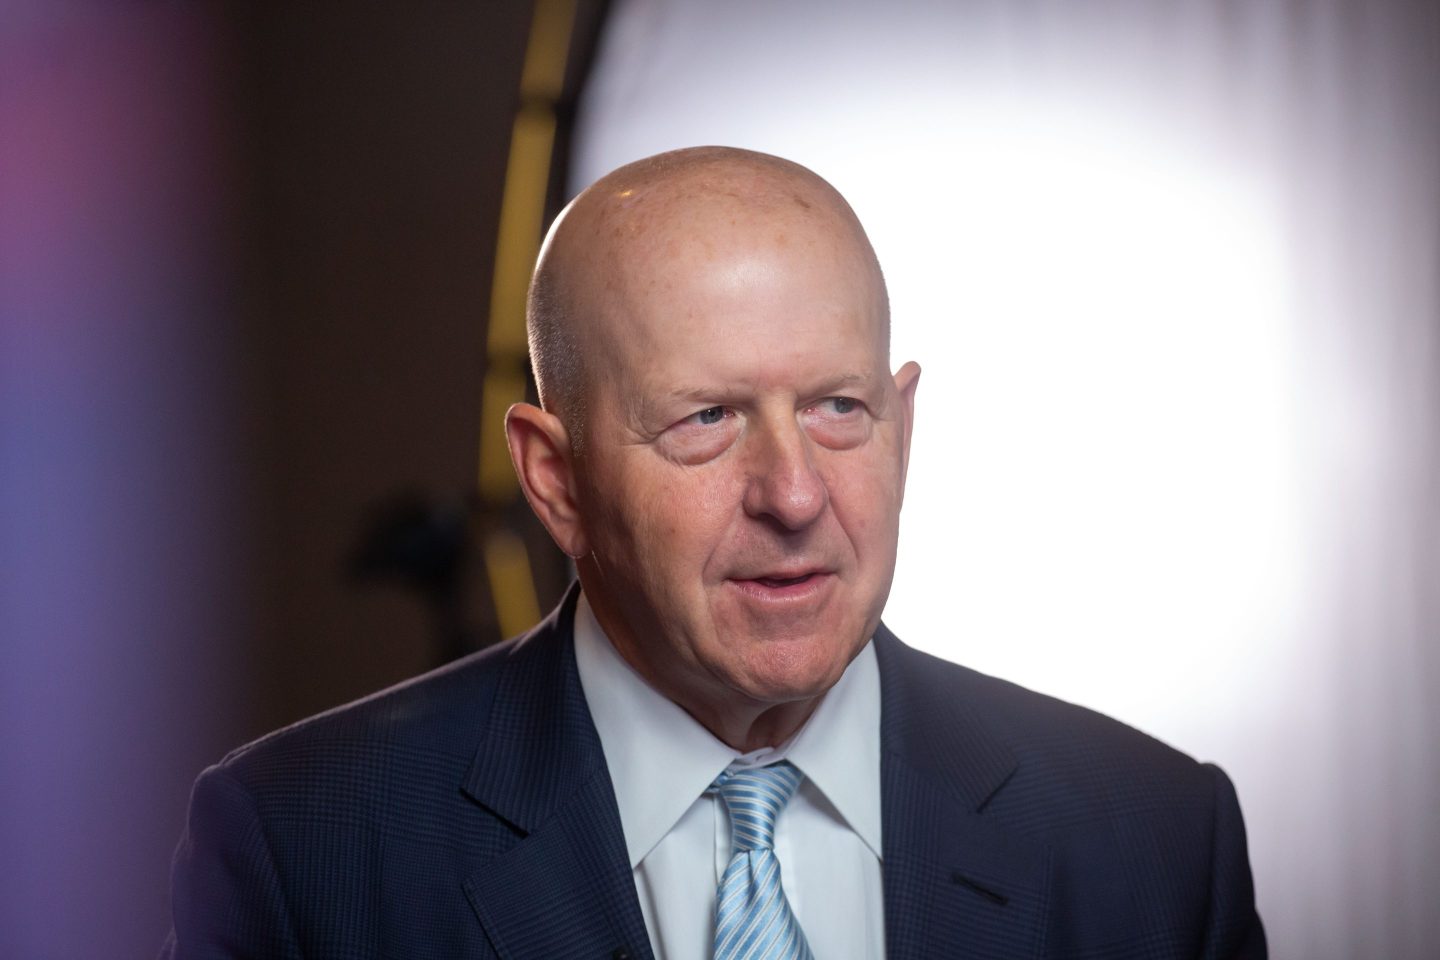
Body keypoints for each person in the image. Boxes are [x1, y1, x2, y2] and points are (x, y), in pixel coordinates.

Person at [162, 146, 1266, 959]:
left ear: (905, 426)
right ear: (556, 478)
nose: (794, 493)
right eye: (705, 420)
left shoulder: (1153, 844)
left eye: (839, 408)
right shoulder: (305, 851)